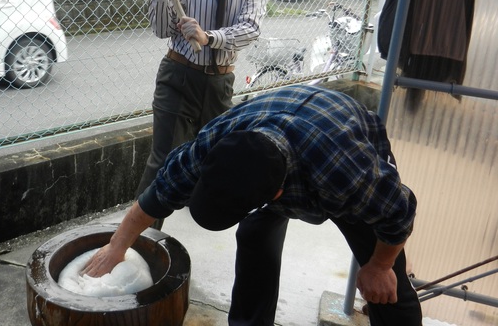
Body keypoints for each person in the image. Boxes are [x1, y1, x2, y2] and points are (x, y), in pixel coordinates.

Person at [83, 85, 423, 326]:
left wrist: (379, 266)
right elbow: (155, 198)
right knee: (254, 237)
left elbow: (399, 212)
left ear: (275, 196)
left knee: (388, 284)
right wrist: (116, 246)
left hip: (335, 133)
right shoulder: (213, 143)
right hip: (279, 128)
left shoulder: (349, 174)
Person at [135, 0, 268, 230]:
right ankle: (141, 238)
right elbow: (162, 30)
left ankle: (208, 214)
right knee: (163, 159)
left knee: (217, 154)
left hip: (220, 84)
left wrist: (208, 36)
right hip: (179, 76)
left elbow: (250, 29)